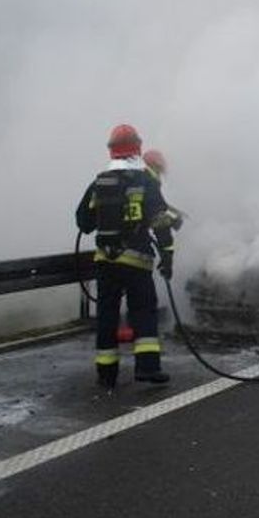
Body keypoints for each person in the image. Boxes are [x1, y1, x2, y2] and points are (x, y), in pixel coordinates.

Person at [76, 124, 177, 389]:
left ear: (111, 151)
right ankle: (147, 368)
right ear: (137, 149)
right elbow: (161, 222)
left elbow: (83, 222)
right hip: (137, 262)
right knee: (143, 312)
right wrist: (167, 256)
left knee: (107, 316)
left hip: (106, 262)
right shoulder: (145, 181)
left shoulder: (99, 181)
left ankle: (106, 374)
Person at [143, 149, 185, 231]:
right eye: (159, 168)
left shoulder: (143, 178)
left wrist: (176, 211)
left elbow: (159, 203)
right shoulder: (150, 181)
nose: (160, 173)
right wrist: (173, 219)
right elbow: (156, 207)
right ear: (154, 166)